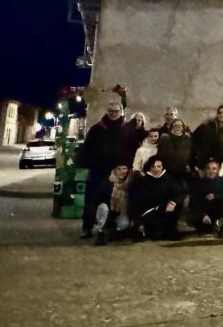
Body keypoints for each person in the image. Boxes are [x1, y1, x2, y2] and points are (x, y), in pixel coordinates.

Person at [77, 101, 127, 239]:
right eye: (111, 111)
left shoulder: (126, 129)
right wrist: (87, 163)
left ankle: (108, 228)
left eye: (116, 111)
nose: (113, 114)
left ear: (120, 112)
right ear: (107, 111)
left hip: (118, 174)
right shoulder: (96, 129)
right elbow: (86, 149)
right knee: (92, 201)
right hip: (98, 172)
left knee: (113, 201)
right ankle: (87, 227)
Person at [132, 156, 183, 241]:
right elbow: (137, 203)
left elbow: (178, 193)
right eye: (153, 166)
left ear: (162, 168)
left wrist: (173, 202)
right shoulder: (142, 182)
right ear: (149, 167)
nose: (156, 169)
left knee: (176, 207)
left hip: (165, 211)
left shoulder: (169, 179)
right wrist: (138, 222)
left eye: (158, 166)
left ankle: (168, 230)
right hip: (149, 213)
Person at [188, 158, 223, 237]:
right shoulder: (199, 183)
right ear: (205, 170)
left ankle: (220, 225)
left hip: (218, 212)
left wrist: (215, 196)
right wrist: (203, 215)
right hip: (204, 214)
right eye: (208, 168)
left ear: (218, 170)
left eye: (214, 169)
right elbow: (194, 201)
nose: (211, 171)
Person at [93, 163, 133, 246]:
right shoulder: (107, 183)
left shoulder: (131, 183)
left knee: (123, 225)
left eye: (124, 168)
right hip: (108, 212)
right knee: (103, 207)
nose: (122, 171)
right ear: (114, 171)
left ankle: (109, 233)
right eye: (119, 169)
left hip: (123, 213)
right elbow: (98, 200)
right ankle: (102, 230)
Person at [191, 105, 223, 173]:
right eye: (220, 113)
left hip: (216, 166)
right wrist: (197, 154)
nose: (222, 114)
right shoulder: (208, 125)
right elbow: (194, 137)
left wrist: (220, 160)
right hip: (202, 163)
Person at [157, 118, 194, 187]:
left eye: (180, 125)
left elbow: (191, 153)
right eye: (175, 125)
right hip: (168, 170)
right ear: (172, 126)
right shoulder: (165, 138)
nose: (178, 127)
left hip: (183, 170)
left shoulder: (187, 138)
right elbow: (161, 155)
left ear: (183, 127)